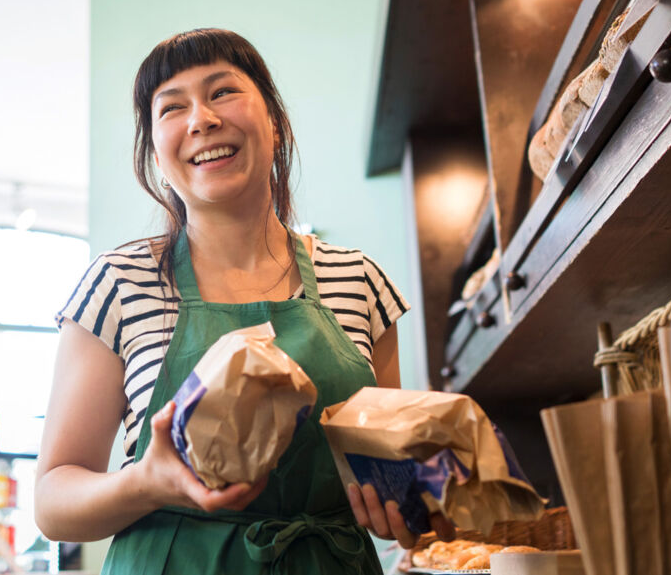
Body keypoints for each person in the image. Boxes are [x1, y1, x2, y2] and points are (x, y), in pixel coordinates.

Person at [35, 28, 454, 574]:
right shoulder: (119, 283)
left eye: (223, 92)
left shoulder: (358, 279)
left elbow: (386, 467)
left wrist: (408, 501)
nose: (201, 119)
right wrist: (144, 483)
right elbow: (52, 503)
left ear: (275, 123)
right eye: (172, 108)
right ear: (156, 154)